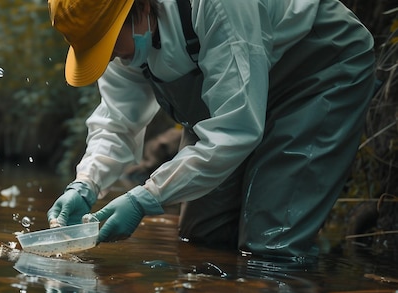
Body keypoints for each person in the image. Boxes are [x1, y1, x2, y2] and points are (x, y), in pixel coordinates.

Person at [46, 0, 376, 261]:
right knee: (201, 238)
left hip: (316, 74)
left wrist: (147, 197)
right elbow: (117, 121)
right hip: (228, 102)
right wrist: (85, 183)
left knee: (270, 242)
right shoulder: (125, 44)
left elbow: (235, 130)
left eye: (109, 44)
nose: (111, 56)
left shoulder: (216, 5)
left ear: (142, 7)